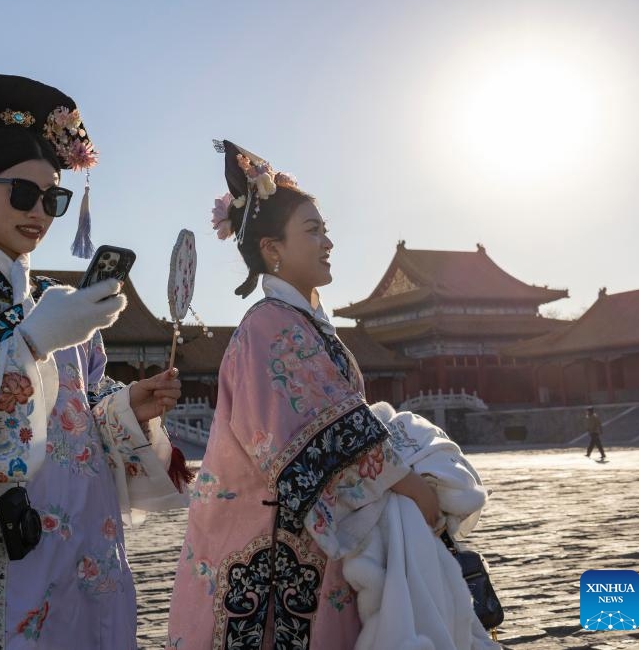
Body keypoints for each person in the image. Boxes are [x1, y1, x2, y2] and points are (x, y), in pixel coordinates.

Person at [0, 74, 189, 649]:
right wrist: (28, 345)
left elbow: (85, 407)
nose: (39, 212)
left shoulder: (63, 303)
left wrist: (126, 406)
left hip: (85, 546)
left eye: (53, 198)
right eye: (21, 194)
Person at [167, 141, 440, 649]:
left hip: (311, 545)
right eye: (313, 231)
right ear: (272, 249)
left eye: (325, 229)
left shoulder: (302, 325)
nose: (328, 242)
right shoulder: (269, 326)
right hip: (271, 553)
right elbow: (315, 433)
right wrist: (408, 484)